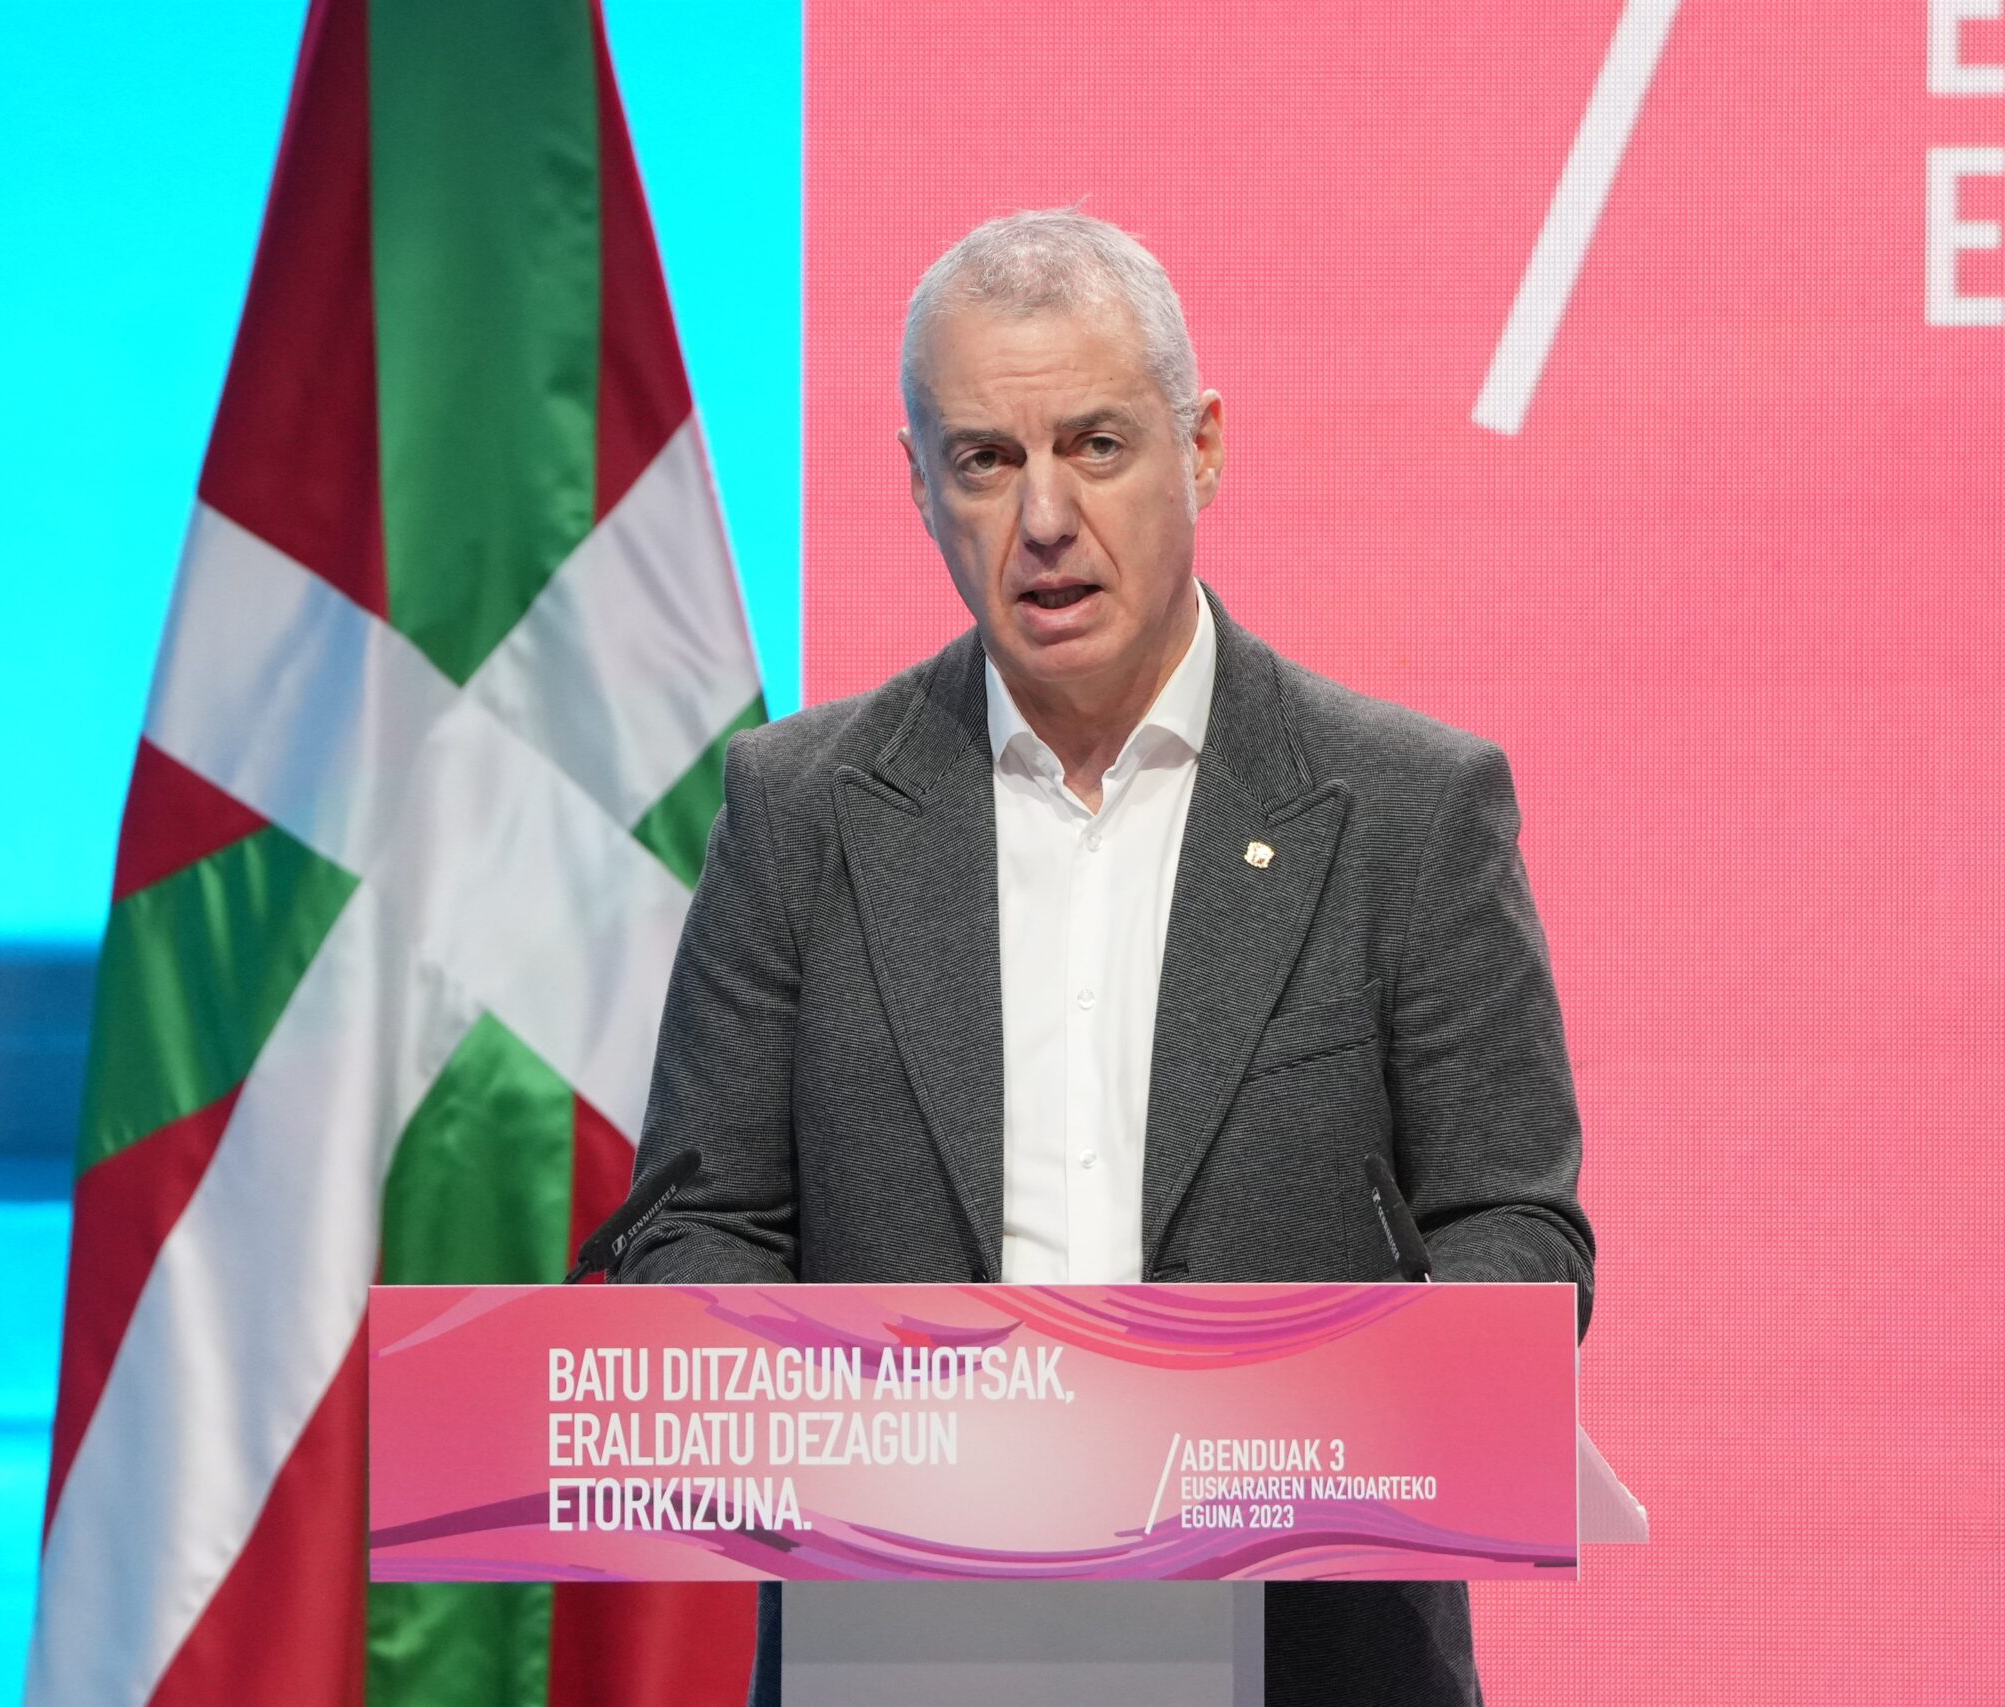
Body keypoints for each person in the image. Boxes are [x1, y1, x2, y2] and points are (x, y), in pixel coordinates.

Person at [620, 207, 1594, 1707]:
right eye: (985, 460)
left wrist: (1316, 1423)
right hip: (905, 1657)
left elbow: (1517, 1230)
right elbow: (696, 1231)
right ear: (919, 486)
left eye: (1096, 445)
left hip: (1310, 1652)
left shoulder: (1407, 810)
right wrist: (873, 1433)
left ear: (1200, 448)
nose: (1045, 518)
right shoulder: (798, 813)